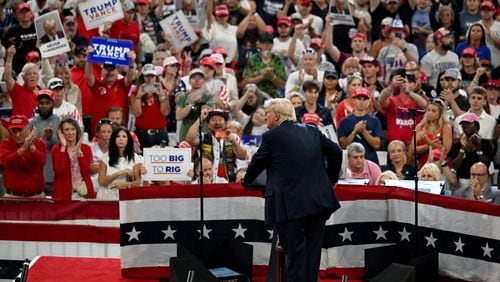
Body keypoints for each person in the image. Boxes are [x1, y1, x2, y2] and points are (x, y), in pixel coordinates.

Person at [243, 98, 342, 282]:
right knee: (312, 259)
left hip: (290, 207)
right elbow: (336, 151)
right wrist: (331, 180)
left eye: (269, 114)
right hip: (317, 204)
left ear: (277, 116)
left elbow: (257, 163)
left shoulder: (273, 136)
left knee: (295, 259)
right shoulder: (312, 131)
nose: (266, 117)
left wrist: (246, 179)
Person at [186, 109, 247, 182]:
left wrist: (234, 142)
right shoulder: (202, 137)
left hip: (229, 182)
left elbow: (243, 156)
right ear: (208, 125)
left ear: (225, 123)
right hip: (206, 182)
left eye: (220, 119)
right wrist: (201, 118)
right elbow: (189, 138)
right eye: (213, 120)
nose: (217, 122)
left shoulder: (233, 137)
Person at [0, 115, 46, 197]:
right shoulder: (6, 143)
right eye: (14, 131)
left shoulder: (39, 143)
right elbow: (4, 161)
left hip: (36, 196)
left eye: (20, 130)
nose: (17, 135)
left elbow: (42, 161)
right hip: (12, 196)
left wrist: (33, 149)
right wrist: (22, 150)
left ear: (27, 128)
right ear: (10, 131)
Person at [52, 117, 95, 200]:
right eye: (67, 130)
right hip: (63, 193)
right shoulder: (57, 149)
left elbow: (86, 171)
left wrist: (79, 152)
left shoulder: (86, 148)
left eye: (73, 129)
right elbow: (58, 170)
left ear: (77, 131)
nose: (70, 132)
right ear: (61, 133)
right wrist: (63, 147)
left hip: (83, 193)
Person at [338, 87, 383, 164]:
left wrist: (364, 131)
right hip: (351, 164)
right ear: (353, 100)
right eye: (359, 99)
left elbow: (376, 144)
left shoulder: (375, 121)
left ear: (368, 101)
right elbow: (343, 146)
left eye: (365, 99)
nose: (362, 102)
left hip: (370, 162)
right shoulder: (344, 122)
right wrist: (354, 132)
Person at [29, 89, 61, 196]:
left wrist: (51, 138)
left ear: (53, 103)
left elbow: (64, 147)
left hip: (53, 175)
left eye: (47, 103)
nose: (44, 106)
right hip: (34, 176)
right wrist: (43, 139)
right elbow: (27, 148)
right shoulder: (30, 123)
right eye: (41, 103)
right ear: (37, 104)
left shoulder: (60, 122)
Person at [97, 127, 143, 200]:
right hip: (108, 196)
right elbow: (101, 182)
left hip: (128, 196)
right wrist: (119, 173)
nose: (121, 139)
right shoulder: (105, 157)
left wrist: (124, 184)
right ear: (113, 139)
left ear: (128, 140)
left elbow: (138, 182)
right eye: (118, 136)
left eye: (124, 136)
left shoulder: (135, 158)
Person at [131, 64, 170, 149]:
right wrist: (139, 96)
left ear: (156, 77)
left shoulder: (164, 92)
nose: (149, 78)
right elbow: (137, 114)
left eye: (152, 76)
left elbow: (165, 113)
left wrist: (161, 96)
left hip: (160, 133)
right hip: (142, 133)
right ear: (142, 78)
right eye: (147, 76)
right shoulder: (135, 94)